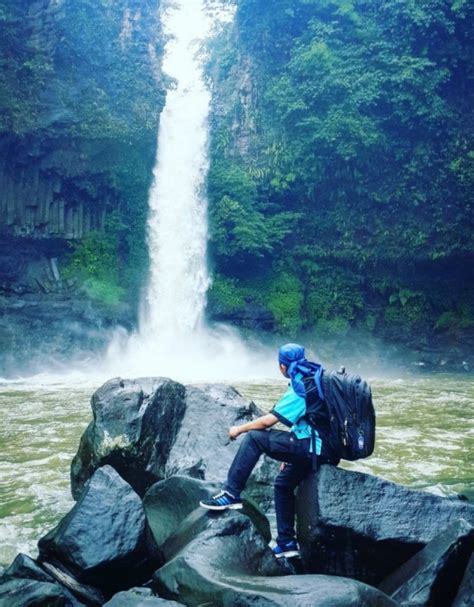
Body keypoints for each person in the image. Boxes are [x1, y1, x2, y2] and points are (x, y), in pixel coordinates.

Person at [199, 343, 339, 559]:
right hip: (324, 448)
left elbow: (268, 422)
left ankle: (230, 493)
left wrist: (239, 429)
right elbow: (309, 417)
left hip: (313, 447)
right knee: (283, 484)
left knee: (255, 438)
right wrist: (291, 454)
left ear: (282, 366)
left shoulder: (300, 386)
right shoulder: (315, 377)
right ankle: (287, 543)